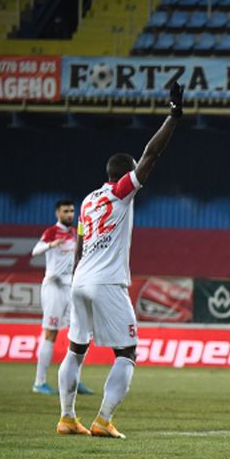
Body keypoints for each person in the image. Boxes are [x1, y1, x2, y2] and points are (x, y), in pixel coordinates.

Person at [56, 82, 184, 438]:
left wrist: (78, 274)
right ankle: (103, 419)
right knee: (126, 351)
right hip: (106, 282)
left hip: (79, 280)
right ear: (125, 174)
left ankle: (67, 417)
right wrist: (173, 117)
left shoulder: (87, 201)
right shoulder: (118, 193)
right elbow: (151, 154)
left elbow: (80, 243)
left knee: (76, 348)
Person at [31, 199, 91, 396]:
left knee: (79, 334)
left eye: (72, 211)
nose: (70, 214)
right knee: (51, 333)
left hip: (70, 287)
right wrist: (50, 245)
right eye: (66, 211)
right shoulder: (51, 232)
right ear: (58, 213)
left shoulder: (74, 233)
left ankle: (74, 382)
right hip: (53, 287)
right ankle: (39, 383)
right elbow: (35, 251)